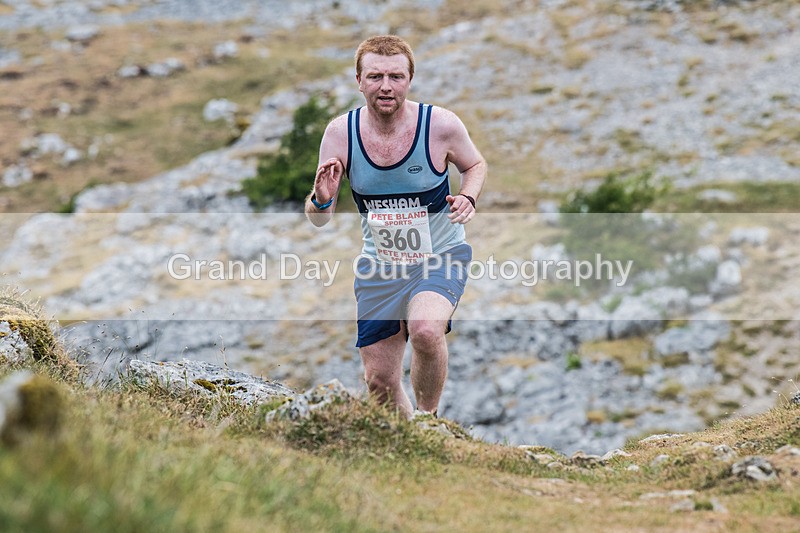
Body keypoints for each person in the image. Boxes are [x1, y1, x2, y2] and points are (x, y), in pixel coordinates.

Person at [304, 35, 487, 418]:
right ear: (359, 81)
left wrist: (467, 196)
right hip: (380, 265)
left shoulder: (440, 125)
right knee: (379, 382)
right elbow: (319, 220)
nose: (385, 86)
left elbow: (475, 165)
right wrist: (322, 197)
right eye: (374, 77)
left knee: (424, 329)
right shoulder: (340, 134)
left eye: (395, 77)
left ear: (409, 79)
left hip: (440, 255)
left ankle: (429, 423)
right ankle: (410, 443)